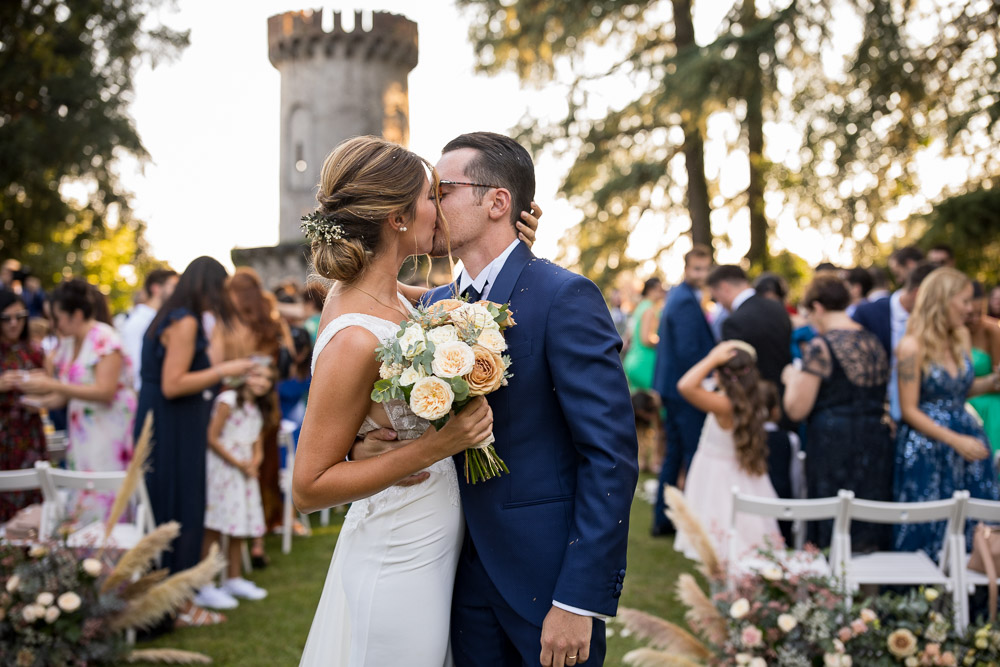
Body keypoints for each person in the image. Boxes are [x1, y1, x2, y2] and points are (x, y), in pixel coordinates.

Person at [421, 132, 636, 667]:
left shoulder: (564, 297)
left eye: (441, 190)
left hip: (545, 582)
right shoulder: (430, 306)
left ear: (497, 202)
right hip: (451, 575)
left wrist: (577, 599)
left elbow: (609, 457)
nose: (428, 205)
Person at [295, 136, 499, 667]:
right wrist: (436, 446)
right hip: (398, 554)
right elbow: (308, 488)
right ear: (397, 217)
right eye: (433, 196)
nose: (443, 209)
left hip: (430, 539)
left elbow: (460, 301)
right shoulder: (355, 334)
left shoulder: (390, 295)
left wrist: (510, 236)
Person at [135, 256, 256, 629]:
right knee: (181, 509)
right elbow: (173, 384)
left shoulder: (170, 315)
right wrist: (225, 370)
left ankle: (165, 601)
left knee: (167, 507)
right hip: (174, 425)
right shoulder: (185, 320)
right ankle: (177, 605)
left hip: (166, 420)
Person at [781, 273, 893, 551]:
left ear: (818, 307)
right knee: (868, 522)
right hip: (875, 443)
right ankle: (870, 591)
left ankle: (830, 591)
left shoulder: (822, 346)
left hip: (834, 445)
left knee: (834, 524)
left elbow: (796, 409)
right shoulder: (872, 341)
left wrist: (791, 378)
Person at [894, 268, 1000, 557]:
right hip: (929, 446)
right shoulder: (911, 346)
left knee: (977, 524)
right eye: (964, 301)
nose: (970, 309)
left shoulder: (961, 337)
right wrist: (955, 440)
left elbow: (958, 390)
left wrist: (992, 382)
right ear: (943, 300)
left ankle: (978, 597)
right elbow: (909, 409)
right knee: (931, 527)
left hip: (969, 439)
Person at [15, 279, 136, 525]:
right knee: (82, 494)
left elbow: (105, 391)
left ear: (76, 315)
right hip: (82, 433)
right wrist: (37, 401)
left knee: (105, 493)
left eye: (57, 317)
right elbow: (68, 394)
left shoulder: (105, 339)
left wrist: (53, 385)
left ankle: (110, 555)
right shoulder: (68, 344)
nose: (53, 324)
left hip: (109, 430)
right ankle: (84, 556)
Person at [674, 340, 781, 561]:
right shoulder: (754, 398)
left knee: (721, 536)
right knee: (746, 532)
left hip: (717, 476)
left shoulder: (724, 404)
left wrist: (712, 358)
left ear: (721, 373)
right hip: (743, 473)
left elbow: (686, 385)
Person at [195, 366, 275, 610]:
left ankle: (233, 578)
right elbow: (211, 436)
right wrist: (238, 463)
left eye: (268, 379)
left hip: (245, 471)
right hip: (224, 468)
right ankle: (205, 584)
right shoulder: (227, 400)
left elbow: (257, 442)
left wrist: (255, 462)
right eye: (257, 375)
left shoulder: (259, 407)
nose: (262, 382)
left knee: (239, 523)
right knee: (216, 524)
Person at [650, 245, 715, 537]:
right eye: (697, 268)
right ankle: (688, 520)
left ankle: (664, 519)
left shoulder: (678, 294)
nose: (701, 274)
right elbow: (689, 351)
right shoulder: (686, 300)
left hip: (670, 387)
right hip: (684, 390)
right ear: (687, 268)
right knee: (692, 452)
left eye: (705, 268)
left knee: (676, 453)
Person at [708, 265, 792, 393]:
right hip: (785, 393)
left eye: (716, 297)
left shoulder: (733, 322)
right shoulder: (778, 308)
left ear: (724, 287)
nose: (719, 303)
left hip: (756, 401)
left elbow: (735, 374)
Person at [0, 290, 46, 522]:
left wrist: (39, 385)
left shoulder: (35, 351)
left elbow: (54, 388)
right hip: (2, 437)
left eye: (19, 316)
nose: (14, 324)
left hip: (29, 433)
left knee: (30, 503)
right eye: (6, 318)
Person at [120, 268, 178, 392]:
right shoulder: (139, 322)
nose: (177, 292)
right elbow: (134, 367)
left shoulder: (161, 319)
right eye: (173, 286)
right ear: (156, 288)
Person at [967, 281, 1000, 458]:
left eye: (979, 313)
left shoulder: (992, 330)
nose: (974, 320)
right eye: (969, 314)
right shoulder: (952, 332)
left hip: (990, 407)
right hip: (961, 407)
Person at [622, 276, 665, 391]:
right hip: (644, 362)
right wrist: (663, 342)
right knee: (652, 403)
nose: (662, 294)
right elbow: (646, 338)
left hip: (633, 359)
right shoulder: (649, 309)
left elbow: (630, 335)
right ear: (651, 290)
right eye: (660, 290)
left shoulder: (640, 307)